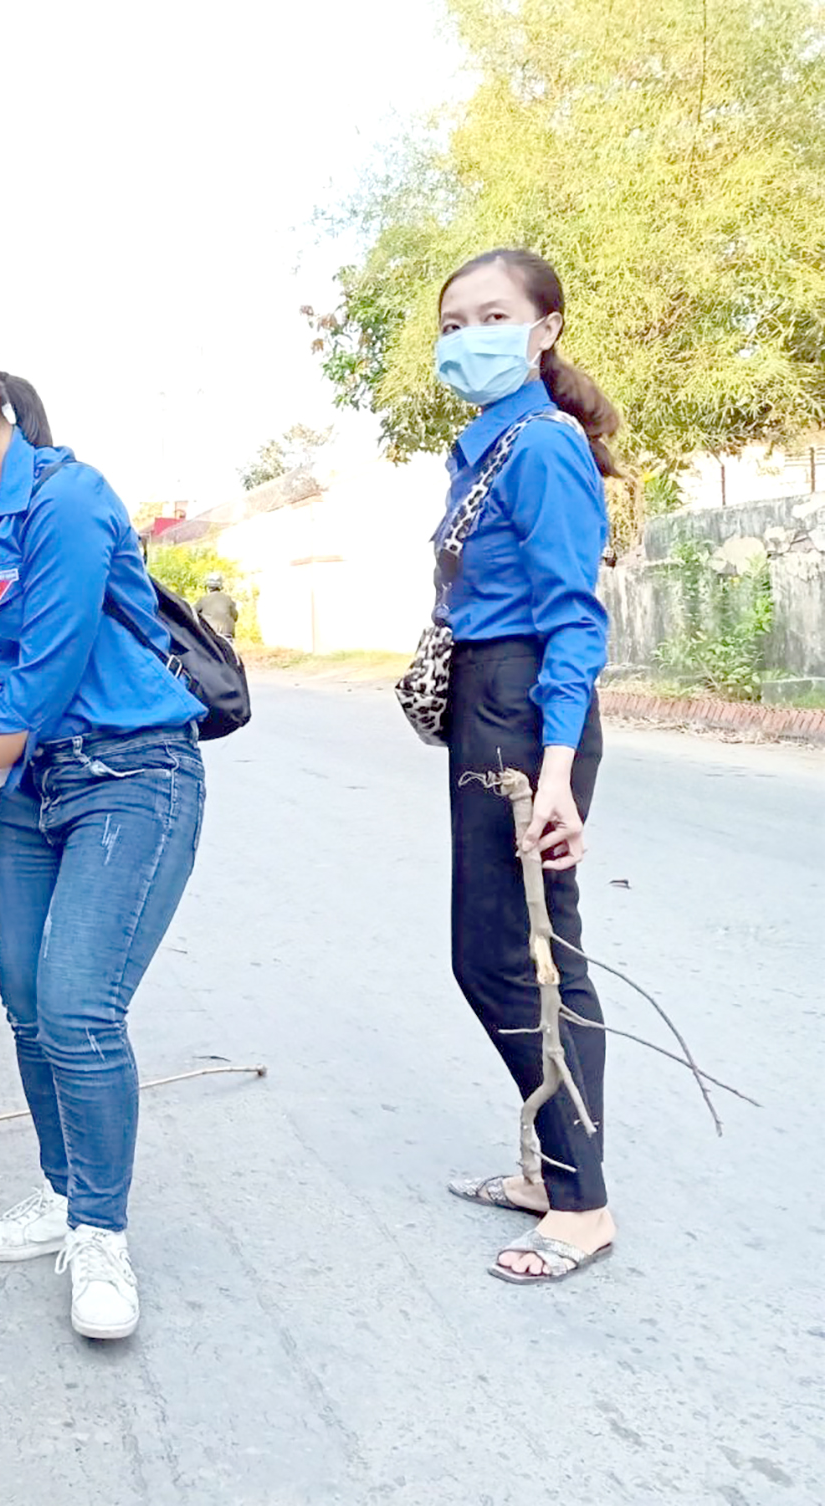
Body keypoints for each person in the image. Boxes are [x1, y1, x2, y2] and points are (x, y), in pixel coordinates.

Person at [0, 318, 207, 1341]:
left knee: (76, 1007)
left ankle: (101, 1232)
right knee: (22, 1004)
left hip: (131, 776)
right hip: (38, 788)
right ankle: (62, 1195)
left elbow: (47, 676)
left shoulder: (67, 501)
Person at [427, 249, 617, 1284]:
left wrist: (552, 772)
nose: (465, 337)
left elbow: (571, 619)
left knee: (520, 958)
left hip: (524, 710)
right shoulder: (485, 447)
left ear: (543, 328)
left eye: (490, 316)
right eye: (451, 323)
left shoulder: (541, 447)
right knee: (511, 950)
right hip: (486, 704)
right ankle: (552, 1171)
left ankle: (581, 1203)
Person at [193, 572, 239, 641]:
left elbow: (193, 614)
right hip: (227, 634)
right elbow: (235, 617)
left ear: (208, 586)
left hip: (210, 633)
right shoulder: (228, 599)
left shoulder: (203, 599)